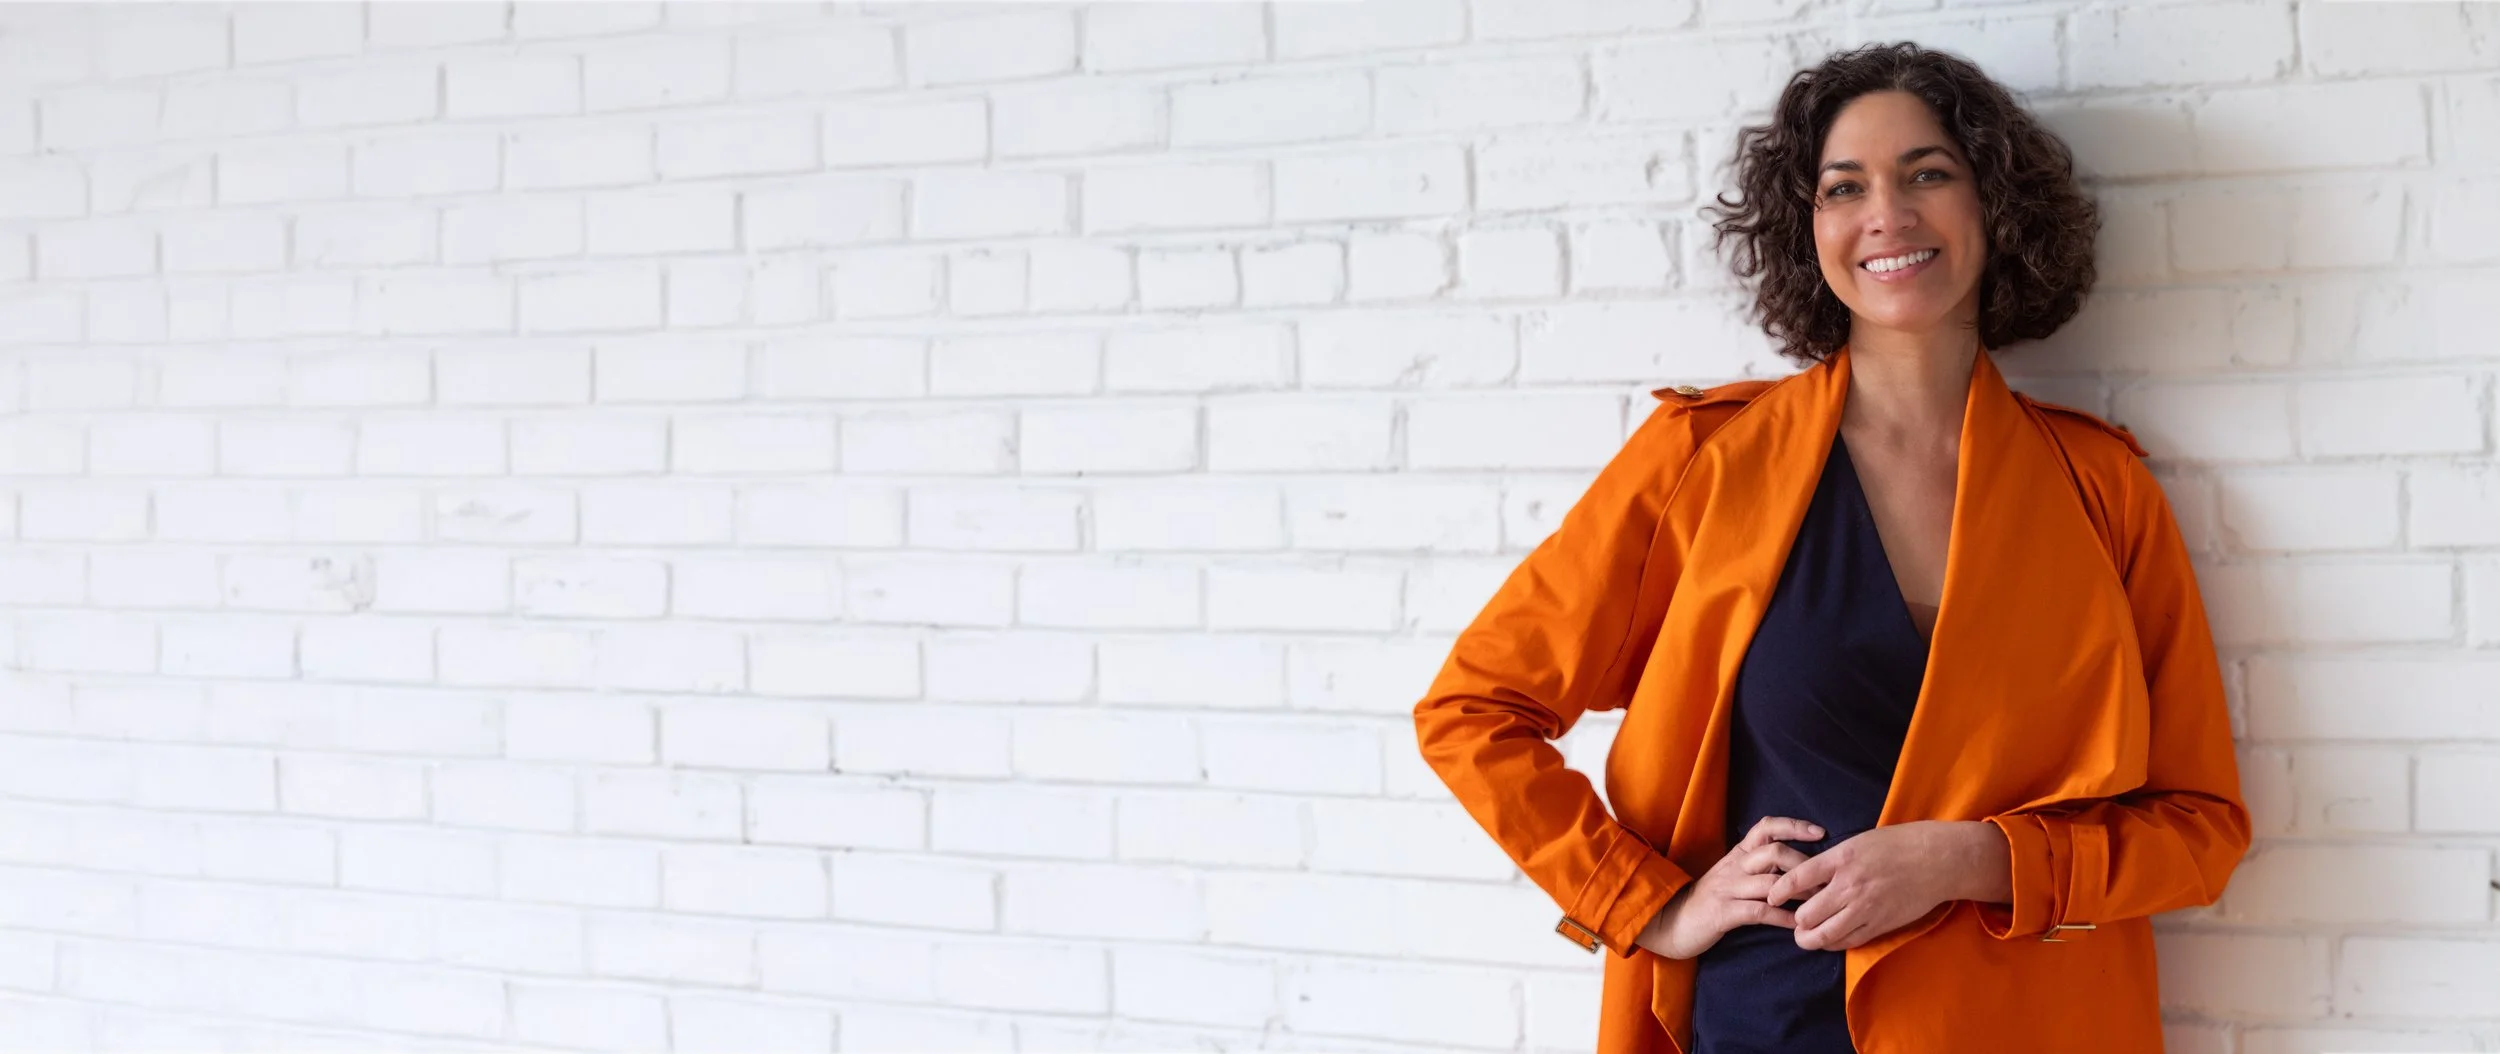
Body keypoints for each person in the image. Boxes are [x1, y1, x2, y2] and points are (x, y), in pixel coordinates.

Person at [1412, 42, 2250, 1054]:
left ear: (1994, 204)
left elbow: (2198, 827)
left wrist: (1971, 859)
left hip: (2023, 1027)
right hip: (1762, 1020)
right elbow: (1474, 711)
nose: (1885, 214)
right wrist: (1649, 904)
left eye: (1927, 174)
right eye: (1843, 187)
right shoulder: (1702, 461)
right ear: (1806, 229)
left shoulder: (2101, 488)